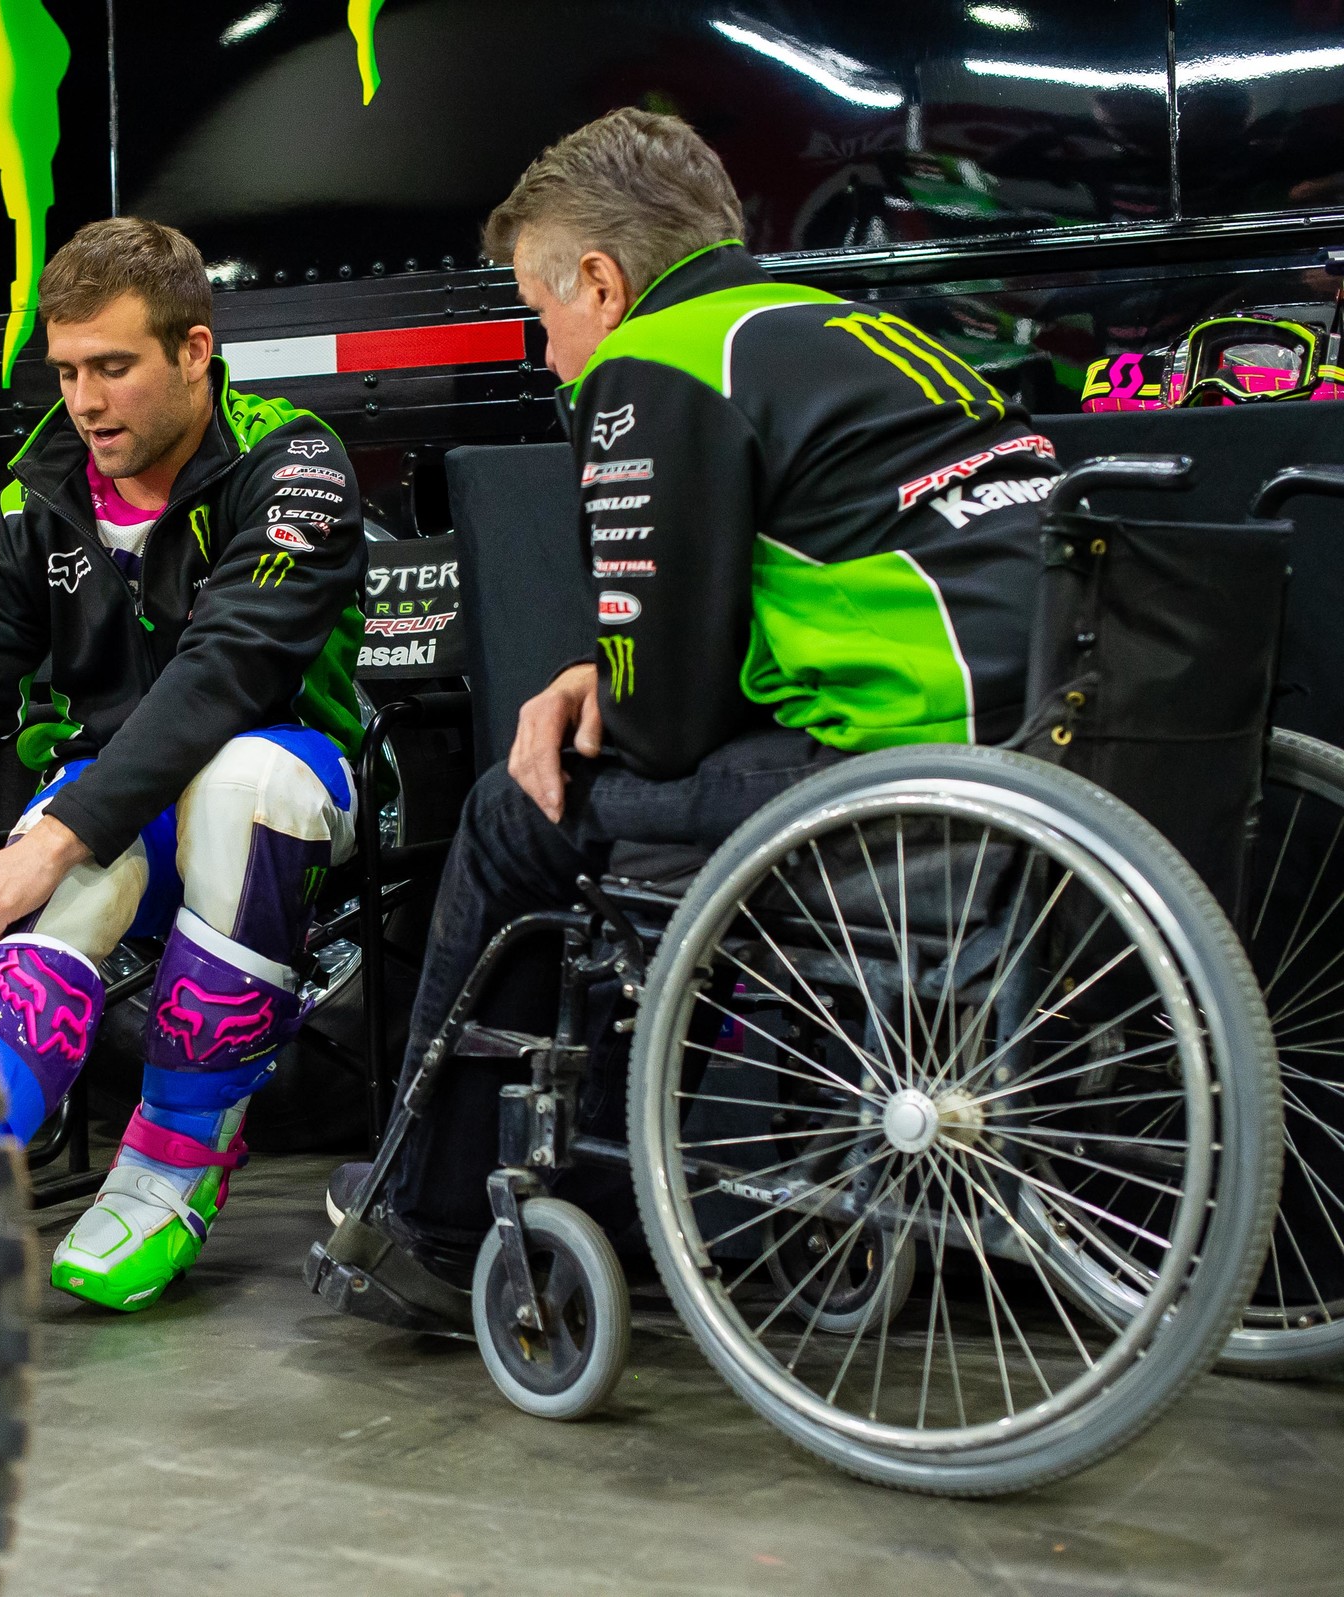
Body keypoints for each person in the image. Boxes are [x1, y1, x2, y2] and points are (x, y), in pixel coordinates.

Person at [315, 109, 1059, 1332]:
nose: (546, 356)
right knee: (625, 813)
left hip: (900, 780)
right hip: (1049, 753)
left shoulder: (656, 363)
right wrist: (609, 678)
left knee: (519, 813)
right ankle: (609, 1189)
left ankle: (433, 1221)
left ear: (601, 285)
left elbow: (661, 726)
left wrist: (608, 693)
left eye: (541, 317)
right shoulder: (843, 328)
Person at [0, 218, 367, 1312]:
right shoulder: (37, 492)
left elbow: (223, 677)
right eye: (68, 371)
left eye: (114, 368)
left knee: (241, 778)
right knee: (58, 895)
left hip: (299, 795)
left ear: (194, 351)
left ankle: (176, 1161)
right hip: (110, 804)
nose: (86, 402)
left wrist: (46, 841)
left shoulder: (293, 456)